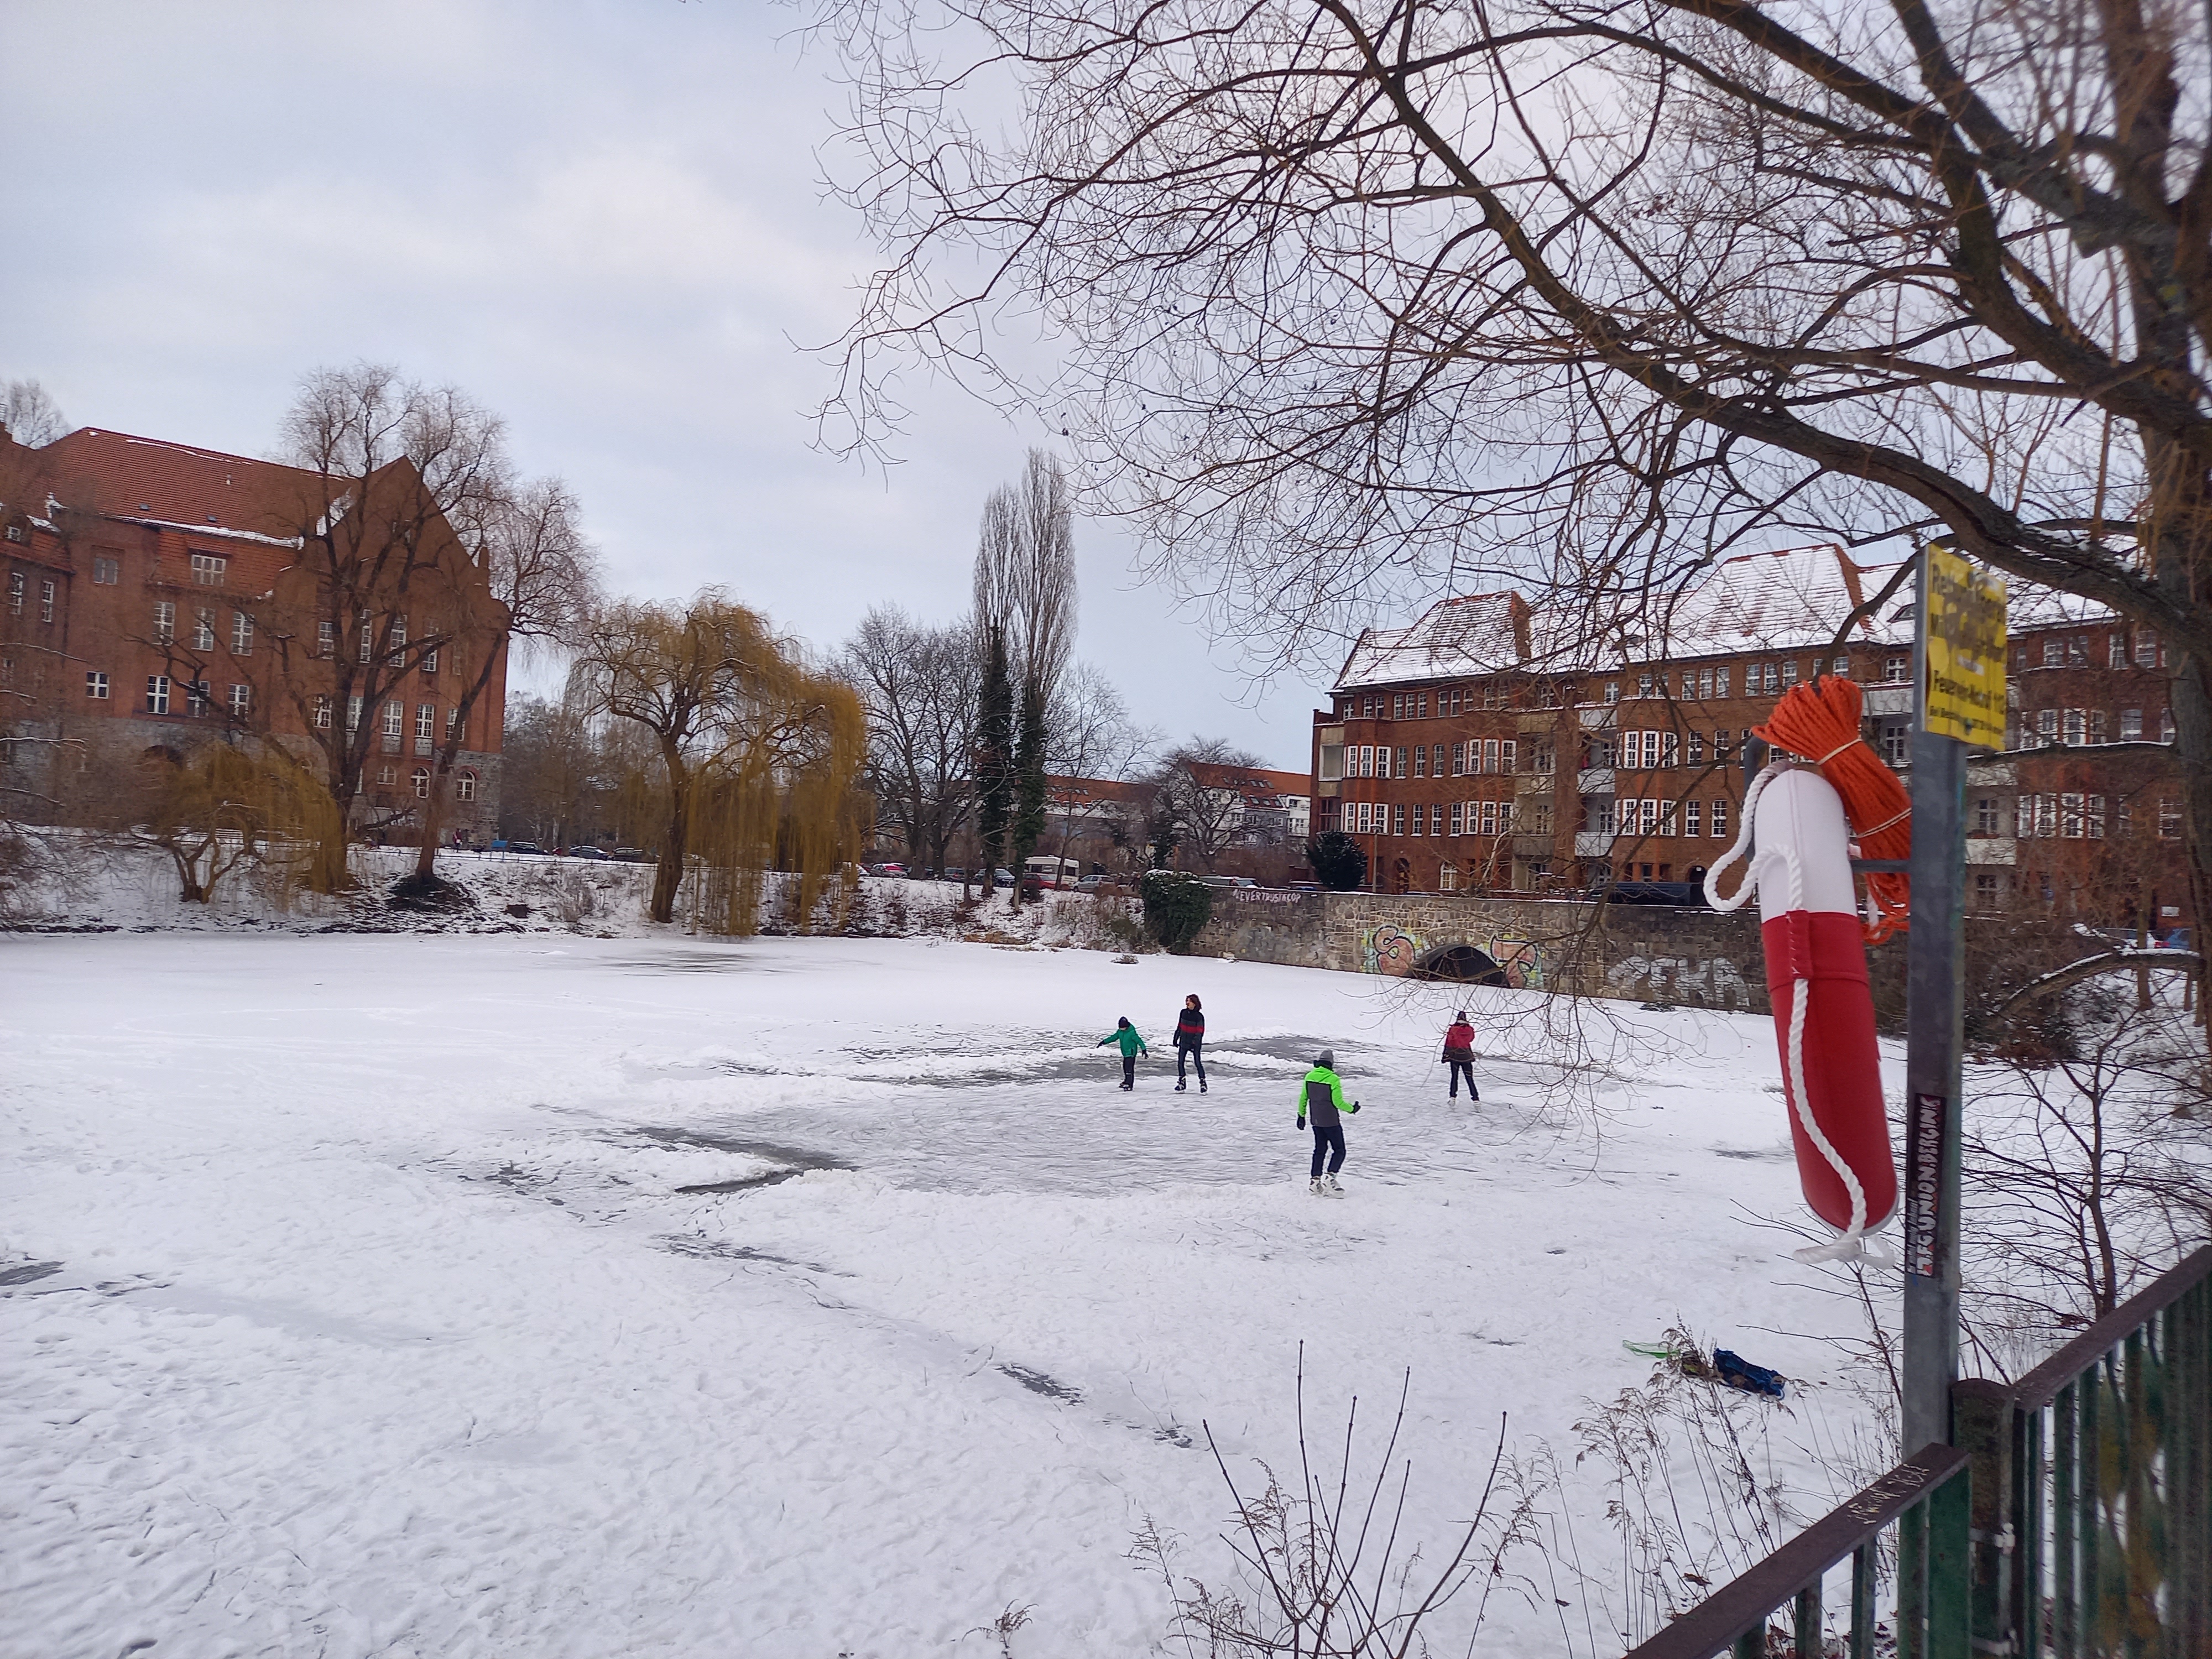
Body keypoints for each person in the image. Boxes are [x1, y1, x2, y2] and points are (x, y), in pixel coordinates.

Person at [1296, 1049, 1360, 1196]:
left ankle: (1315, 1182)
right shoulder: (1333, 1079)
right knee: (1339, 1150)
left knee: (1320, 1150)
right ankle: (1330, 1177)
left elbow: (1303, 1098)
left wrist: (1301, 1115)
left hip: (1316, 1121)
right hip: (1331, 1121)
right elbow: (1337, 1102)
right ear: (1331, 1063)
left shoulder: (1309, 1076)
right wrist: (1352, 1109)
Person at [1098, 1016, 1150, 1090]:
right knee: (1125, 1068)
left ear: (1127, 1026)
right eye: (1120, 1027)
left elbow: (1140, 1042)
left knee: (1129, 1070)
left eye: (1123, 1028)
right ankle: (1126, 1082)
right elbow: (1113, 1037)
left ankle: (1129, 1085)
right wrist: (1104, 1042)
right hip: (1125, 1053)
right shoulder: (1120, 1032)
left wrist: (1144, 1050)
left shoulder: (1132, 1033)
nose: (1121, 1029)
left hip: (1131, 1054)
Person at [1172, 994, 1207, 1093]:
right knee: (1180, 1062)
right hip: (1184, 1041)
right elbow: (1180, 1026)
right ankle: (1182, 1083)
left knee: (1197, 1062)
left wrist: (1194, 1043)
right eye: (1187, 1001)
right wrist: (1176, 1038)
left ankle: (1203, 1083)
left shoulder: (1199, 1017)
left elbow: (1200, 1032)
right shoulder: (1183, 1013)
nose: (1187, 1003)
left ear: (1195, 1003)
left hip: (1195, 1043)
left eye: (1190, 1001)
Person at [1442, 1010, 1479, 1103]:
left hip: (1455, 1056)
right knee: (1469, 1078)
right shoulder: (1470, 1030)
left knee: (1454, 1077)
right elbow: (1471, 1039)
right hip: (1466, 1056)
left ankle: (1453, 1097)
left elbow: (1448, 1042)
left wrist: (1445, 1055)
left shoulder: (1453, 1029)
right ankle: (1476, 1099)